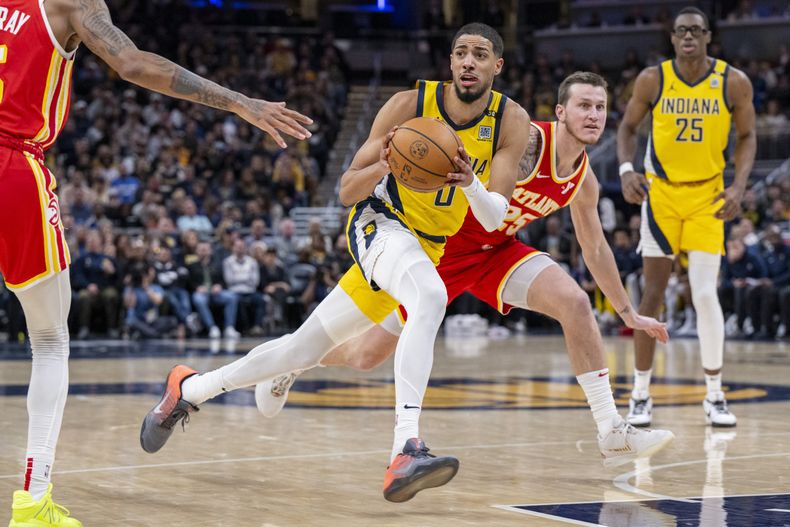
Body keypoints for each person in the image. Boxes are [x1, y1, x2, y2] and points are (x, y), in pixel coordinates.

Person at [140, 23, 531, 503]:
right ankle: (406, 447)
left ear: (498, 66)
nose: (469, 62)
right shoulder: (408, 107)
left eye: (480, 54)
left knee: (300, 350)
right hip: (380, 225)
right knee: (430, 297)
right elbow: (347, 191)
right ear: (450, 62)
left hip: (426, 247)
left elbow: (494, 218)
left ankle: (191, 389)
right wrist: (388, 163)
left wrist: (470, 181)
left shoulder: (510, 120)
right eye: (461, 53)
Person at [256, 73, 675, 475]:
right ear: (561, 112)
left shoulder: (583, 180)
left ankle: (611, 432)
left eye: (600, 107)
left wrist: (627, 313)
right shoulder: (526, 139)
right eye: (584, 105)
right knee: (365, 356)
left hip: (497, 253)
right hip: (443, 248)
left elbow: (596, 247)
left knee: (575, 302)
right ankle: (290, 359)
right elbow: (459, 144)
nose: (593, 115)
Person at [0, 1, 311, 524]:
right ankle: (33, 504)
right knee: (50, 341)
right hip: (13, 166)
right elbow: (134, 65)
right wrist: (238, 102)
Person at [617, 6, 756, 427]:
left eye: (696, 30)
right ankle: (640, 393)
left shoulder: (732, 81)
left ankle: (715, 394)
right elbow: (626, 129)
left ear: (708, 36)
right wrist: (626, 171)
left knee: (705, 293)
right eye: (682, 31)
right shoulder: (653, 79)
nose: (689, 37)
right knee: (652, 295)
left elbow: (748, 136)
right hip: (661, 197)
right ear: (673, 38)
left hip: (708, 198)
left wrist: (738, 186)